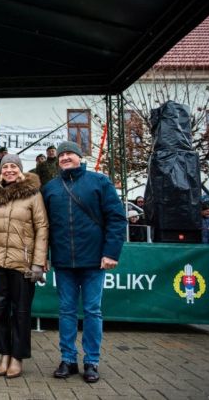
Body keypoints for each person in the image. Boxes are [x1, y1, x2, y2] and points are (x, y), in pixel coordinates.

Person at [42, 141, 126, 383]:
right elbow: (43, 226)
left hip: (94, 261)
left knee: (92, 311)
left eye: (70, 153)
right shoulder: (50, 188)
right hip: (63, 262)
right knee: (66, 311)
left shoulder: (99, 182)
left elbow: (117, 218)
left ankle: (91, 361)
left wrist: (111, 253)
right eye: (61, 155)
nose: (65, 157)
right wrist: (43, 256)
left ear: (80, 156)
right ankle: (68, 359)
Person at [0, 154, 48, 379]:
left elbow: (42, 227)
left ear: (20, 170)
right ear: (1, 170)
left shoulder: (33, 195)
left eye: (13, 166)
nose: (9, 170)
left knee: (21, 312)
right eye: (5, 166)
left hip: (22, 263)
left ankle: (17, 357)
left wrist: (38, 262)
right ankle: (4, 355)